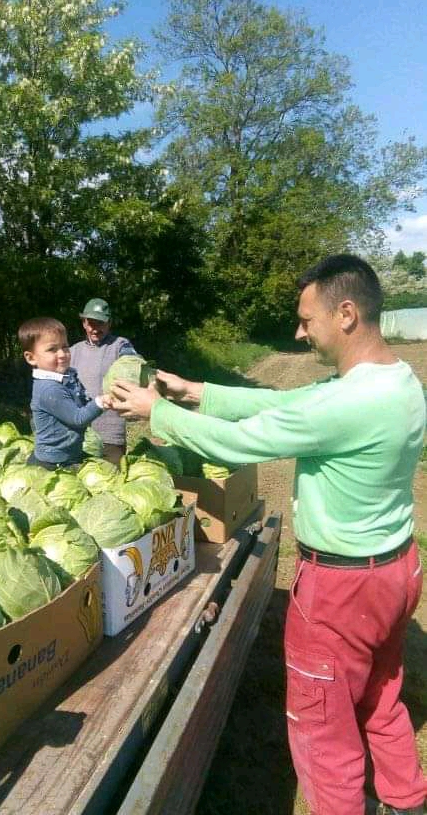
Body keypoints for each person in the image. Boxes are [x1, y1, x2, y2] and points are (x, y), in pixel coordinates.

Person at [109, 254, 426, 815]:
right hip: (394, 570)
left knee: (321, 728)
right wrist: (194, 391)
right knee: (380, 692)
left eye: (307, 319)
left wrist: (157, 412)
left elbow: (242, 443)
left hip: (340, 589)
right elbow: (288, 403)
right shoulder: (395, 381)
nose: (299, 332)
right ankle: (406, 797)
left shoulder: (350, 401)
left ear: (346, 313)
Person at [18, 316, 110, 470]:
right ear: (31, 358)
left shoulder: (65, 378)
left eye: (65, 347)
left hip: (68, 454)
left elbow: (82, 402)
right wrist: (100, 402)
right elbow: (78, 418)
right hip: (53, 463)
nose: (62, 354)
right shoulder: (50, 389)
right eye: (52, 349)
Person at [70, 297, 137, 466]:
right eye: (91, 323)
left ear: (109, 323)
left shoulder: (120, 345)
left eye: (100, 323)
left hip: (110, 434)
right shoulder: (73, 351)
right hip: (79, 435)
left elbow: (133, 366)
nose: (95, 328)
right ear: (84, 323)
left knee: (112, 482)